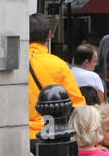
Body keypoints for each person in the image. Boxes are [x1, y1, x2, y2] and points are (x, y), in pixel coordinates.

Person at [27, 14, 83, 142]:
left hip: (17, 134)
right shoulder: (59, 65)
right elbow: (78, 105)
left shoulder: (14, 64)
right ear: (49, 35)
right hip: (51, 135)